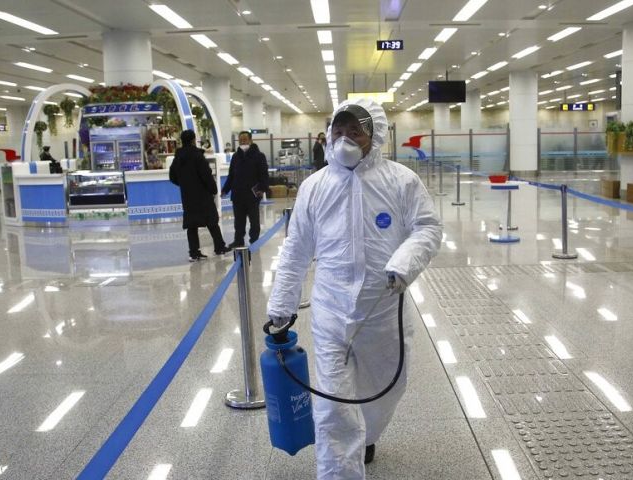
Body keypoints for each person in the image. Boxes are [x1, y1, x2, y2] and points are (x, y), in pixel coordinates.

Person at [266, 98, 442, 479]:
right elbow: (296, 248)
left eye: (355, 131)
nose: (344, 139)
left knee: (387, 388)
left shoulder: (400, 181)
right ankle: (340, 469)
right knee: (333, 407)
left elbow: (428, 227)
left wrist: (404, 263)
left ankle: (367, 434)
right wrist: (281, 304)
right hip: (331, 311)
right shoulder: (315, 187)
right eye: (339, 130)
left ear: (373, 136)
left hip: (384, 310)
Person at [169, 129, 231, 261]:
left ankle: (194, 252)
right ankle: (219, 247)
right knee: (212, 221)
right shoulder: (197, 156)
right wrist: (213, 190)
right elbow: (206, 175)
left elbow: (172, 176)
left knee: (191, 225)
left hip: (188, 196)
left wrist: (185, 185)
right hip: (202, 195)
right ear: (193, 140)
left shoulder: (178, 157)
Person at [221, 131, 269, 249]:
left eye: (245, 139)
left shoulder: (259, 156)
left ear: (250, 140)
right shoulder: (235, 157)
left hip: (252, 194)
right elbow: (231, 175)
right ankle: (238, 240)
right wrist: (225, 189)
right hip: (237, 194)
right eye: (241, 140)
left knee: (254, 220)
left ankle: (254, 240)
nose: (242, 142)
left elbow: (264, 174)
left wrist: (262, 188)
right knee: (239, 221)